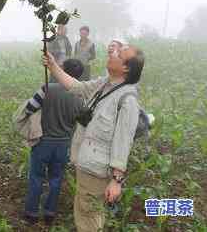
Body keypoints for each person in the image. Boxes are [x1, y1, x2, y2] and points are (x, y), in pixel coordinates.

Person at [42, 40, 145, 232]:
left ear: (125, 68)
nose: (113, 53)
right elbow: (76, 87)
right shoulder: (105, 84)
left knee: (88, 216)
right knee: (87, 212)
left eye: (119, 54)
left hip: (98, 170)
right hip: (87, 162)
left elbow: (123, 143)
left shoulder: (127, 100)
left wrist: (116, 181)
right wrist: (54, 65)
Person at [23, 59, 86, 225]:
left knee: (36, 177)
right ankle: (50, 213)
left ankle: (31, 213)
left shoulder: (47, 89)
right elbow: (85, 120)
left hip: (43, 141)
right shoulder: (80, 96)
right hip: (63, 143)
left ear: (62, 70)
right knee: (56, 179)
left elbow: (29, 108)